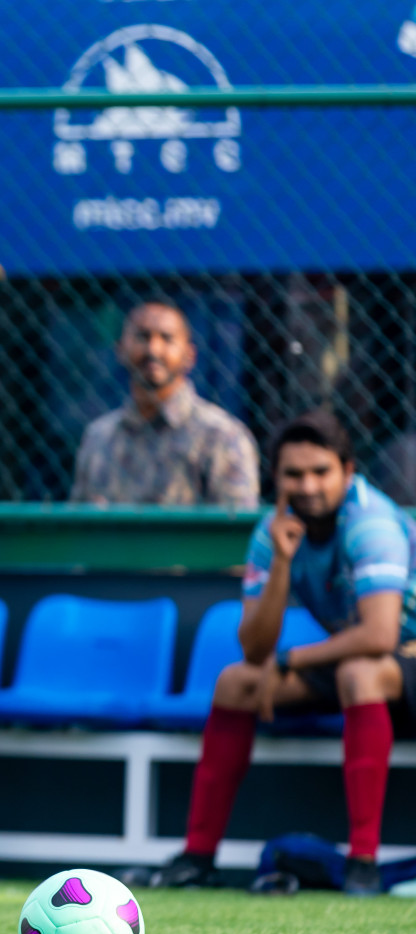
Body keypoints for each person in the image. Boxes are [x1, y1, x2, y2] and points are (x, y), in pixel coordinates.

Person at [147, 410, 416, 896]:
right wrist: (282, 565)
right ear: (277, 478)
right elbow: (254, 649)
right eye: (294, 474)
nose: (308, 485)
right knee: (235, 682)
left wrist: (291, 662)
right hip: (363, 661)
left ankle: (363, 862)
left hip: (398, 656)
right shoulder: (272, 533)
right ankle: (199, 855)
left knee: (359, 671)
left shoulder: (371, 523)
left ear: (348, 472)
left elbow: (379, 635)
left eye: (321, 472)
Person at [71, 298, 259, 507]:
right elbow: (80, 530)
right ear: (120, 350)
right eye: (142, 337)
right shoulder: (98, 438)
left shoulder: (222, 436)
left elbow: (235, 533)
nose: (153, 350)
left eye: (167, 338)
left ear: (190, 356)